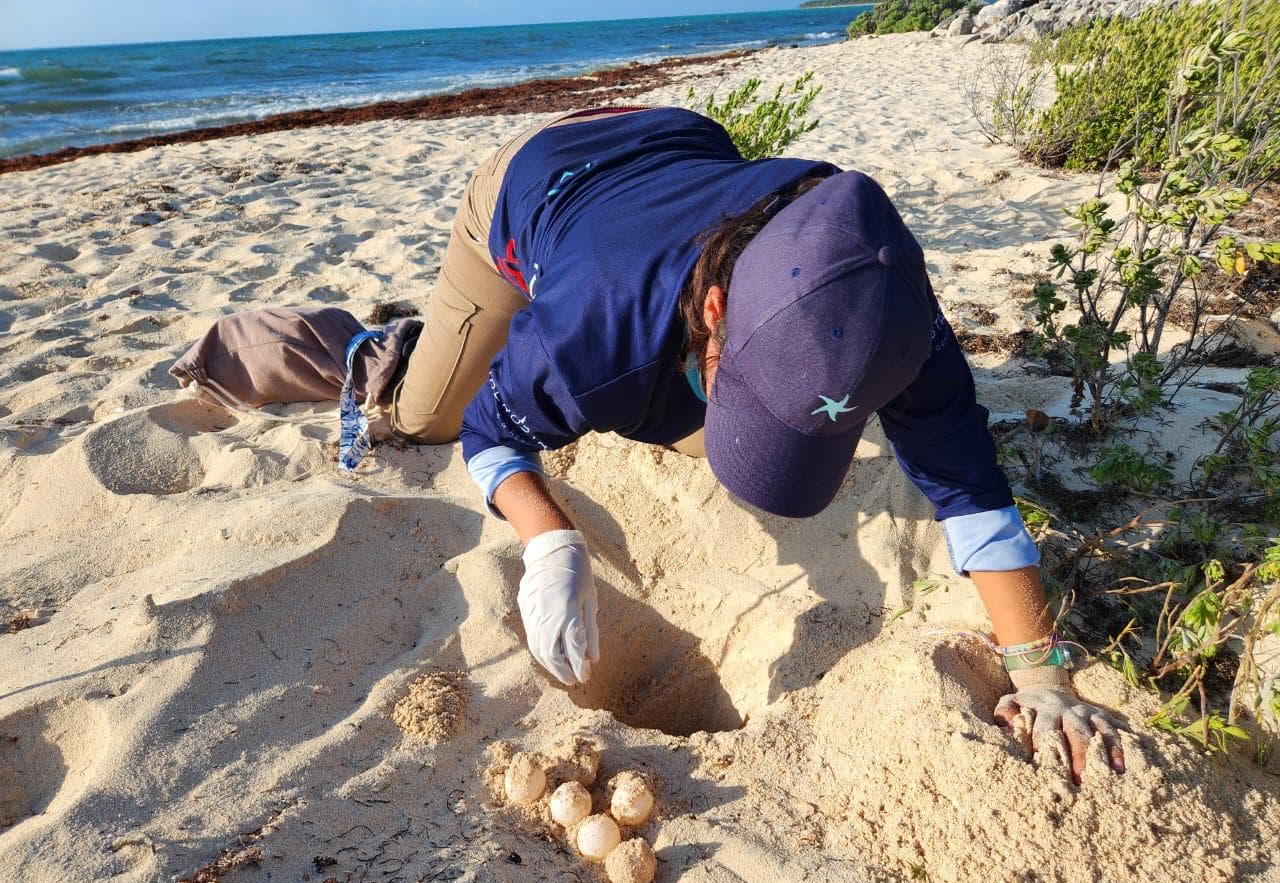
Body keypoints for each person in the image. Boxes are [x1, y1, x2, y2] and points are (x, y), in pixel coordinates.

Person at [171, 105, 1128, 784]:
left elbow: (971, 486)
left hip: (682, 147)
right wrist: (549, 537)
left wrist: (1042, 675)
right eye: (730, 374)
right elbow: (488, 432)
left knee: (694, 415)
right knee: (422, 407)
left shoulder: (891, 310)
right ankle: (360, 341)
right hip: (531, 187)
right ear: (713, 308)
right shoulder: (596, 326)